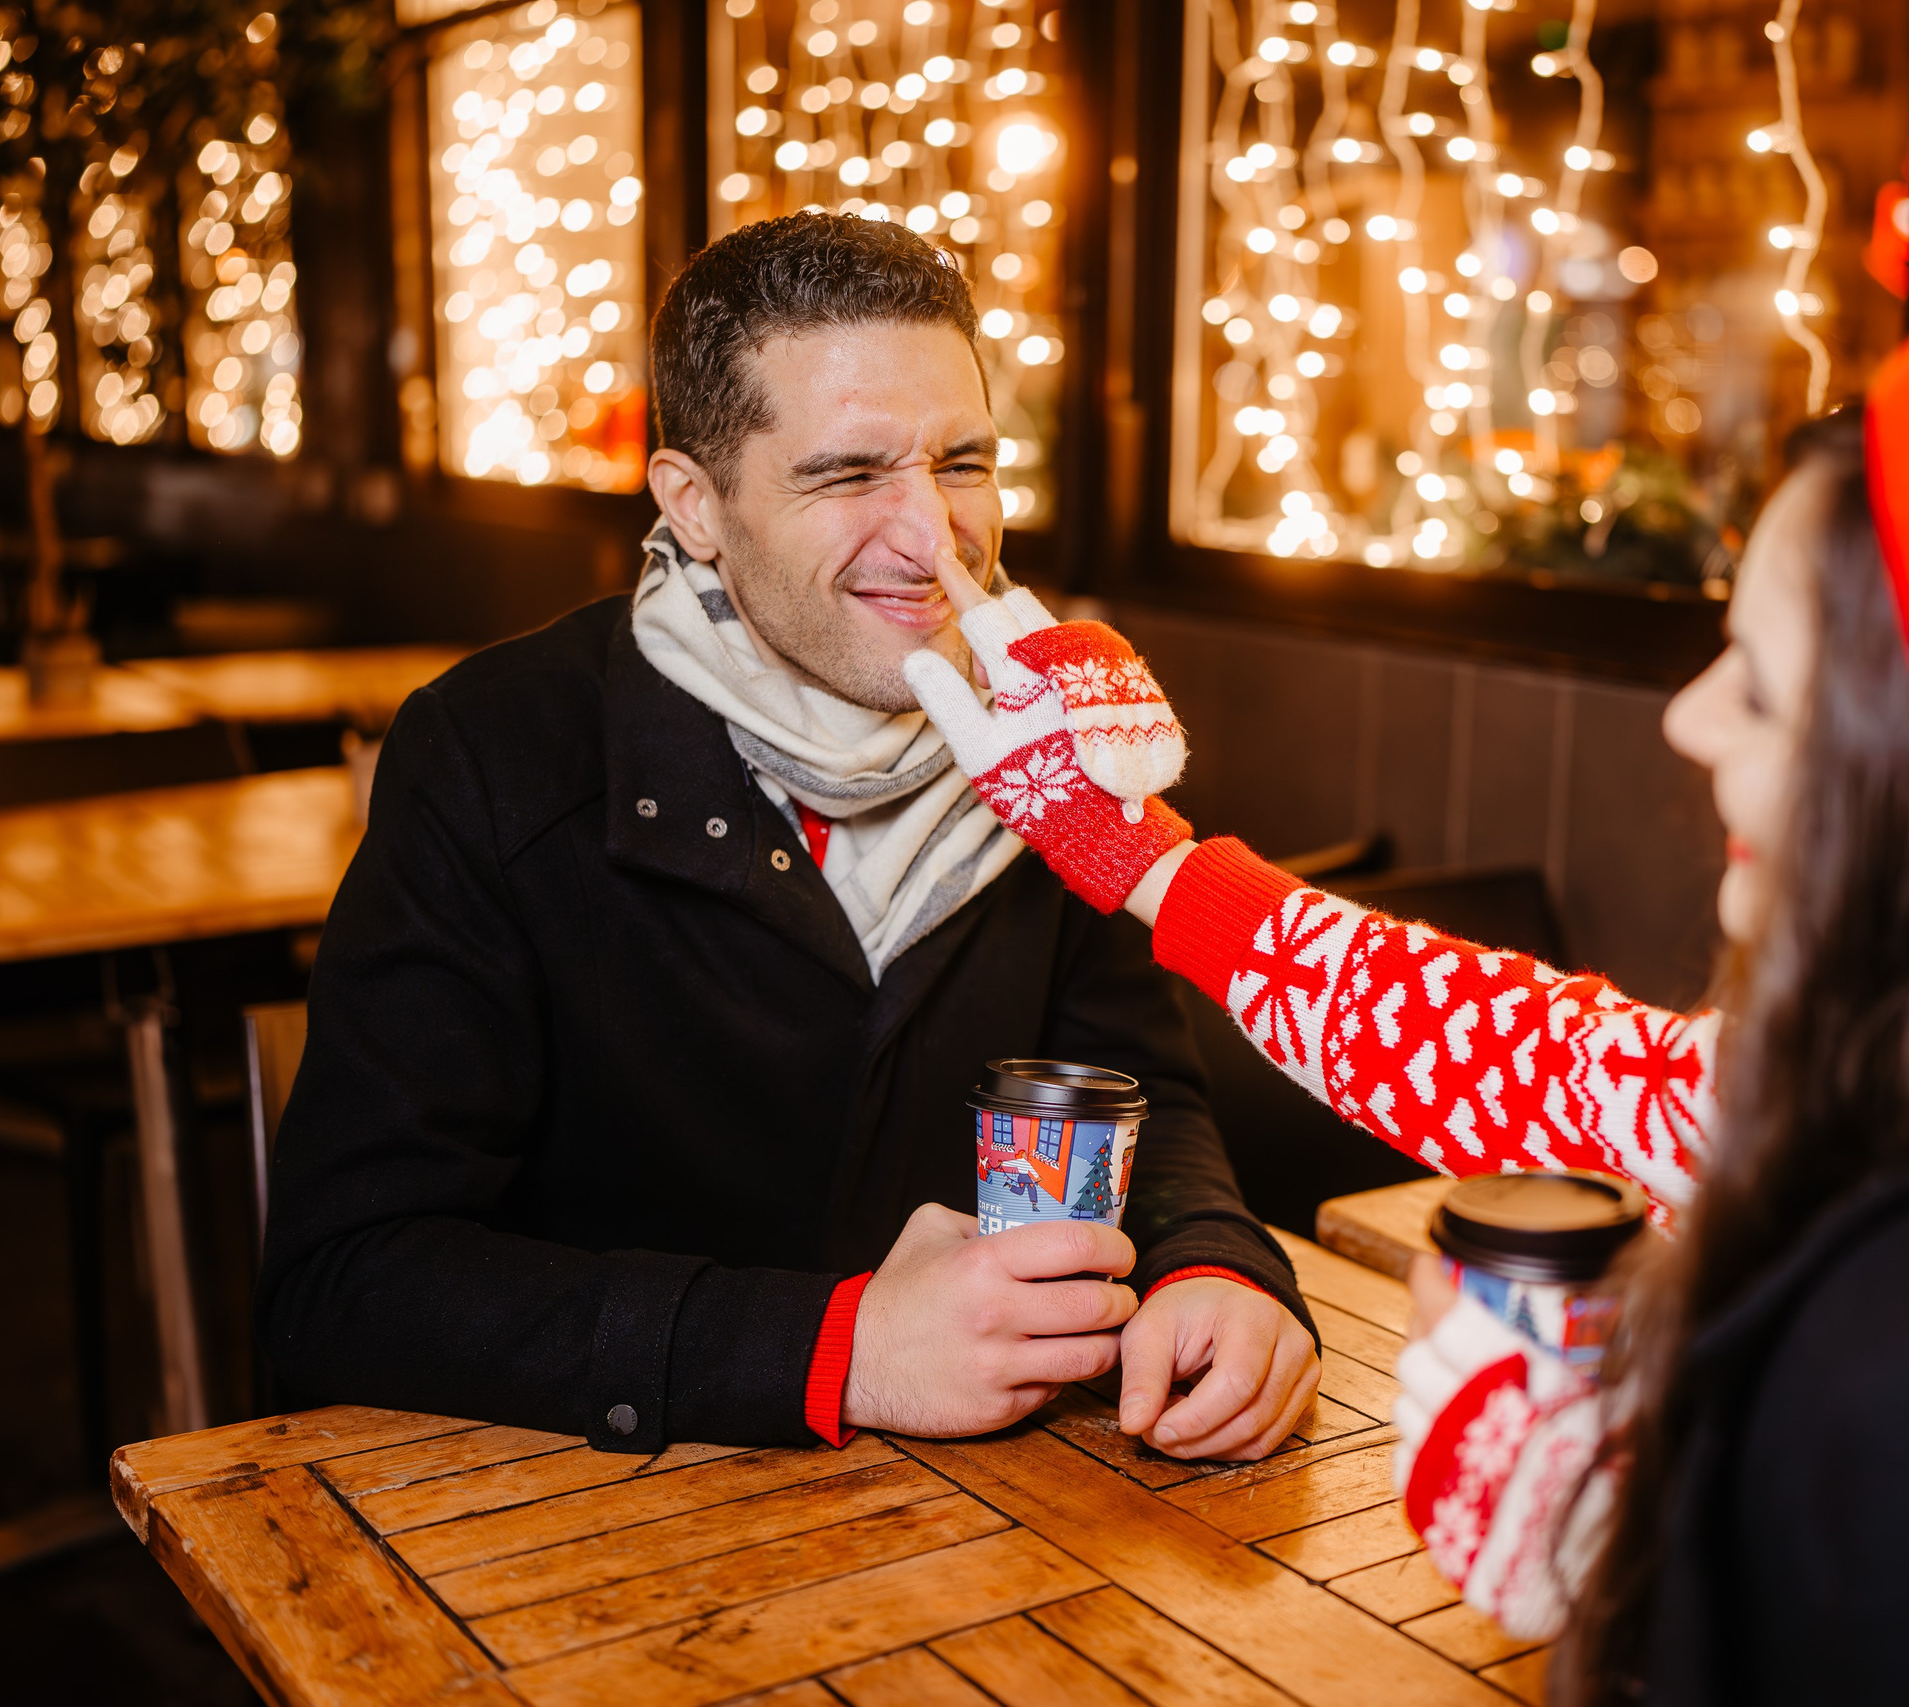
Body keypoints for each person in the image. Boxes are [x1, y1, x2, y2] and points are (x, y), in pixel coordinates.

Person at [907, 265, 1909, 1698]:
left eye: (1764, 679)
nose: (1690, 718)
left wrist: (1654, 1556)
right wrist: (1151, 861)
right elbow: (1548, 1060)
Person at [258, 213, 1320, 1464]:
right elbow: (345, 1284)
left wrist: (1218, 1266)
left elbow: (1136, 1095)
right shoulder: (492, 752)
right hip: (597, 1517)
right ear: (694, 504)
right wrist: (833, 1348)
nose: (932, 536)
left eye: (963, 463)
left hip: (1008, 1504)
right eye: (847, 475)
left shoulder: (1049, 735)